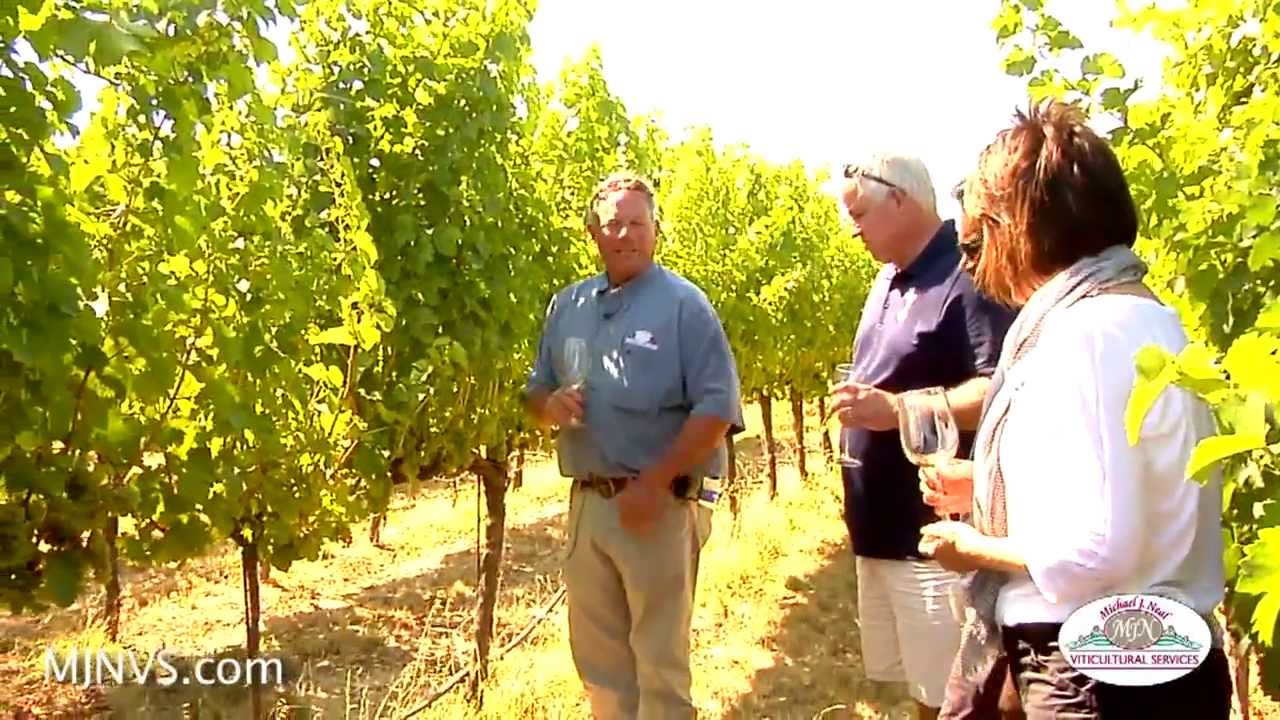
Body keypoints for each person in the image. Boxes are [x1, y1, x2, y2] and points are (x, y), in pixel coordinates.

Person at [918, 100, 1230, 719]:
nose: (975, 262)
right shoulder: (1147, 319)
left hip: (1094, 671)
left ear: (1022, 229)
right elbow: (1126, 489)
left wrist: (971, 547)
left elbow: (1094, 555)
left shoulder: (1083, 335)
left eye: (978, 240)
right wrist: (986, 480)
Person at [523, 171, 744, 719]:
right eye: (613, 224)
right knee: (599, 663)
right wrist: (546, 403)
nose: (625, 234)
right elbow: (535, 387)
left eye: (637, 223)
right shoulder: (567, 306)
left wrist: (654, 484)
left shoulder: (683, 306)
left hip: (658, 505)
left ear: (656, 231)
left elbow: (717, 408)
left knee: (660, 666)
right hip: (588, 504)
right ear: (592, 234)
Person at [826, 154, 1015, 719]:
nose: (852, 227)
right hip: (877, 530)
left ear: (900, 200)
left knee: (951, 700)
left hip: (931, 536)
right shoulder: (887, 279)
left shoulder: (967, 276)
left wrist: (898, 409)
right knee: (918, 692)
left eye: (859, 212)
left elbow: (1000, 389)